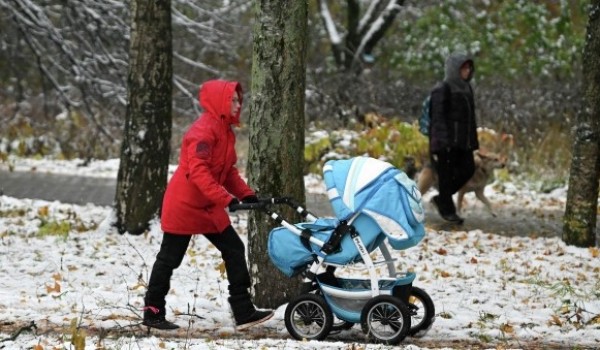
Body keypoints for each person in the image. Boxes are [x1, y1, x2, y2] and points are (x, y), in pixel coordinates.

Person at [143, 79, 274, 330]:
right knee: (170, 258)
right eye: (232, 100)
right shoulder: (203, 131)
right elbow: (199, 172)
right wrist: (226, 199)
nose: (238, 105)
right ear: (219, 101)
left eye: (238, 100)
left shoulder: (225, 131)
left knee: (234, 249)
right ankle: (153, 311)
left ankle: (244, 311)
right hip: (185, 204)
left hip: (208, 206)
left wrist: (246, 195)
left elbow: (228, 171)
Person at [428, 51, 479, 224]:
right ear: (454, 69)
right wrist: (440, 144)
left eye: (469, 68)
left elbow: (470, 119)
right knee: (446, 175)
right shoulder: (442, 89)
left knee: (468, 169)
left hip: (463, 143)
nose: (467, 71)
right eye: (464, 68)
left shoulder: (467, 89)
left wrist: (472, 141)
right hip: (446, 142)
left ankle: (442, 199)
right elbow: (437, 118)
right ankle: (448, 211)